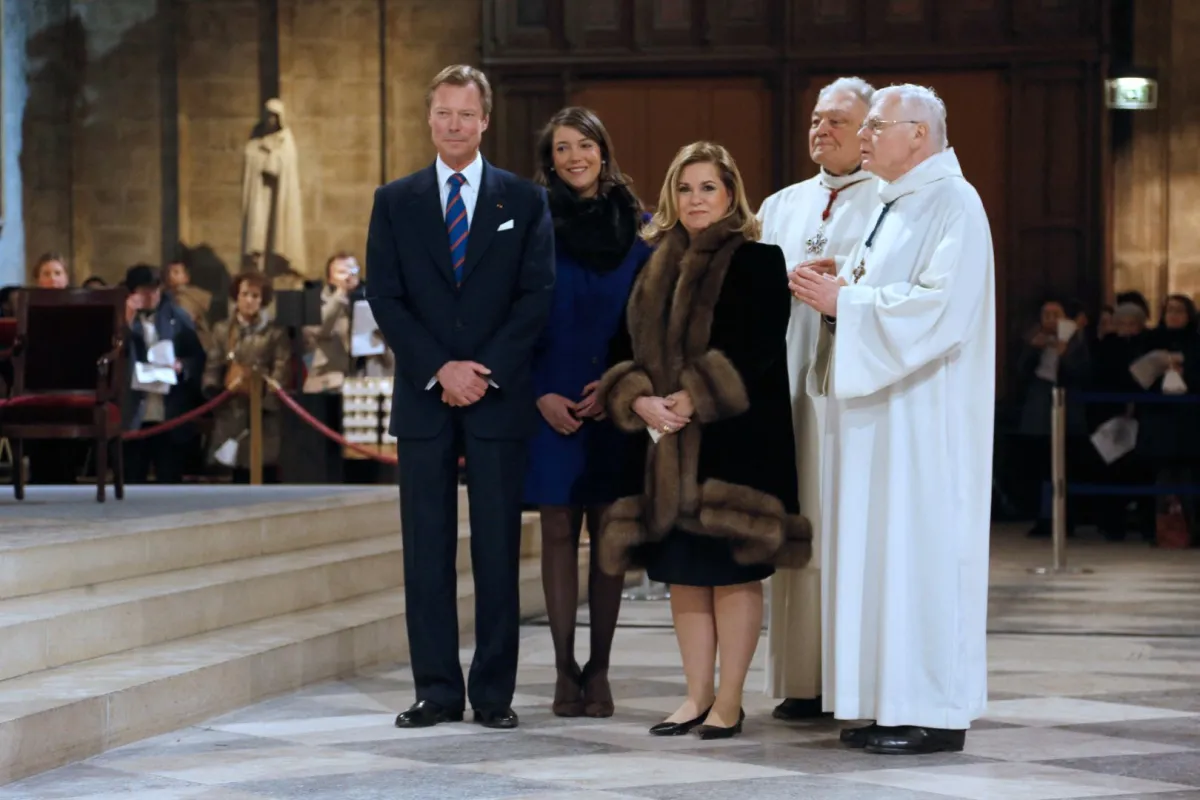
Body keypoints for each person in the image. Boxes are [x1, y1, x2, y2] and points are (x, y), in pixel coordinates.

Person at [791, 84, 995, 755]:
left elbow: (939, 309)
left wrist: (848, 300)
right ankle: (886, 703)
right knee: (882, 562)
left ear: (919, 134)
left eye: (877, 126)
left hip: (923, 426)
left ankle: (934, 714)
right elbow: (880, 293)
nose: (866, 137)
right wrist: (836, 293)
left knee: (919, 559)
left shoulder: (954, 202)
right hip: (881, 419)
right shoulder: (893, 202)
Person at [595, 142, 810, 740]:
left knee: (732, 573)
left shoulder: (760, 260)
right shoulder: (652, 264)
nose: (695, 199)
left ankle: (730, 702)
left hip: (737, 447)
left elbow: (758, 346)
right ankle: (694, 696)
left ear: (731, 193)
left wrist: (692, 396)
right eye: (685, 188)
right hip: (666, 447)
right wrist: (637, 397)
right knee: (684, 574)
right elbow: (620, 348)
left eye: (707, 187)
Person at [366, 64, 555, 732]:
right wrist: (439, 368)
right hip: (424, 398)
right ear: (429, 118)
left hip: (497, 397)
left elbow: (536, 294)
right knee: (426, 549)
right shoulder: (395, 200)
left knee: (498, 549)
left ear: (485, 120)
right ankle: (437, 690)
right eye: (442, 112)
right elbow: (384, 295)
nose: (453, 124)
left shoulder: (524, 201)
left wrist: (483, 370)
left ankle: (493, 694)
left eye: (465, 114)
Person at [757, 76, 879, 722]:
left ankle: (849, 680)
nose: (821, 129)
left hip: (847, 398)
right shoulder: (779, 206)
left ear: (868, 133)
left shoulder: (889, 206)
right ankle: (802, 679)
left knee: (844, 530)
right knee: (795, 529)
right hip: (785, 392)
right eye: (815, 118)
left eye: (837, 120)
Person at [525, 107, 653, 718]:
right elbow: (511, 317)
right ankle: (561, 669)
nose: (575, 157)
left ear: (604, 150)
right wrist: (536, 391)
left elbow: (652, 327)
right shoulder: (529, 225)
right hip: (548, 398)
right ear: (549, 160)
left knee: (608, 539)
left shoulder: (642, 227)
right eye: (562, 148)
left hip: (615, 402)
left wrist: (620, 384)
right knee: (556, 530)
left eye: (585, 145)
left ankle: (599, 670)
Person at [203, 271, 290, 483]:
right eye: (245, 294)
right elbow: (213, 365)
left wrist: (264, 393)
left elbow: (281, 367)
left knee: (263, 465)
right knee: (234, 471)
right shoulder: (223, 329)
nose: (249, 300)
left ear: (263, 300)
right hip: (231, 408)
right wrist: (214, 392)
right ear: (236, 296)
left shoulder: (275, 332)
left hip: (262, 412)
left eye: (255, 296)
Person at [121, 264, 205, 483]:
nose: (150, 296)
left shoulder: (177, 317)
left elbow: (197, 358)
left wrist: (182, 367)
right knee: (132, 478)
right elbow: (110, 353)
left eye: (155, 289)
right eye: (144, 290)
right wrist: (125, 322)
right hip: (134, 412)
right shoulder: (119, 318)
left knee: (170, 479)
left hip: (169, 412)